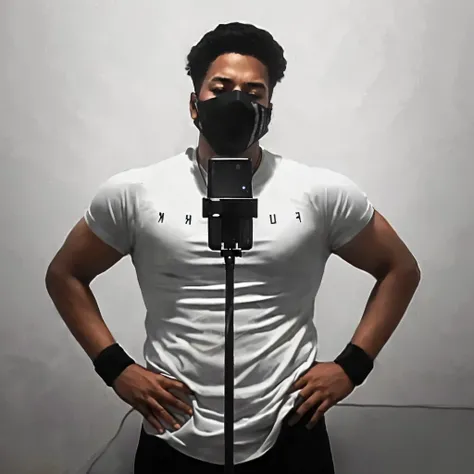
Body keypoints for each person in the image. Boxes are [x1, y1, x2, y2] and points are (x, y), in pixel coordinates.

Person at [45, 22, 421, 474]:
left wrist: (352, 367)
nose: (237, 101)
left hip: (289, 427)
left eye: (254, 92)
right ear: (194, 104)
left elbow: (399, 268)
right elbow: (65, 274)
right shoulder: (136, 192)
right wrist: (115, 368)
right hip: (175, 431)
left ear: (268, 110)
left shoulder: (318, 192)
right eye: (220, 87)